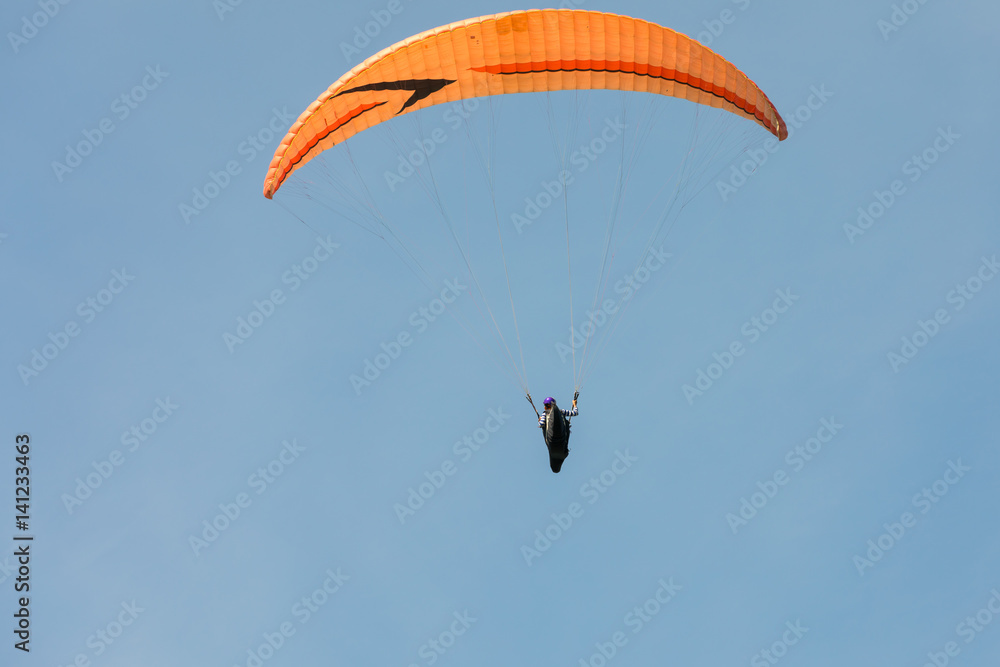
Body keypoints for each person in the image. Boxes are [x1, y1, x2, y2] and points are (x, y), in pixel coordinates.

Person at [538, 396, 578, 473]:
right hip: (561, 447)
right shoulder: (561, 411)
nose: (544, 407)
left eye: (546, 405)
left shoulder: (545, 414)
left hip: (554, 447)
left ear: (548, 406)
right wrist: (575, 405)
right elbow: (575, 413)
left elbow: (541, 424)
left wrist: (539, 419)